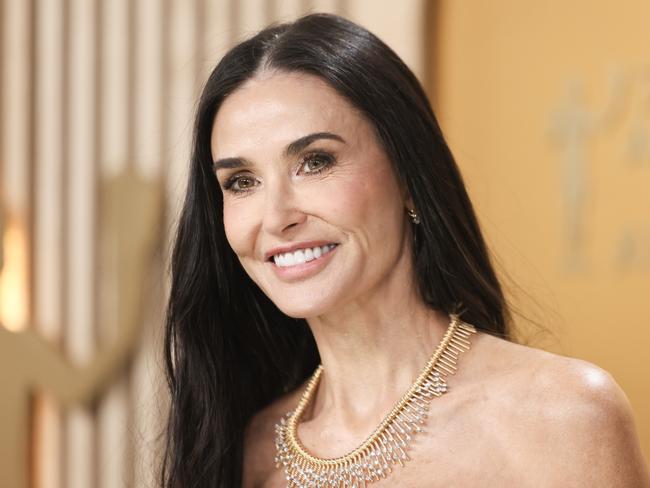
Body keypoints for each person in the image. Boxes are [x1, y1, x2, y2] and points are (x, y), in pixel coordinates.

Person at [160, 13, 650, 488]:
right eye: (241, 181)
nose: (275, 217)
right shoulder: (246, 450)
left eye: (315, 162)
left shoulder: (562, 418)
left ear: (409, 178)